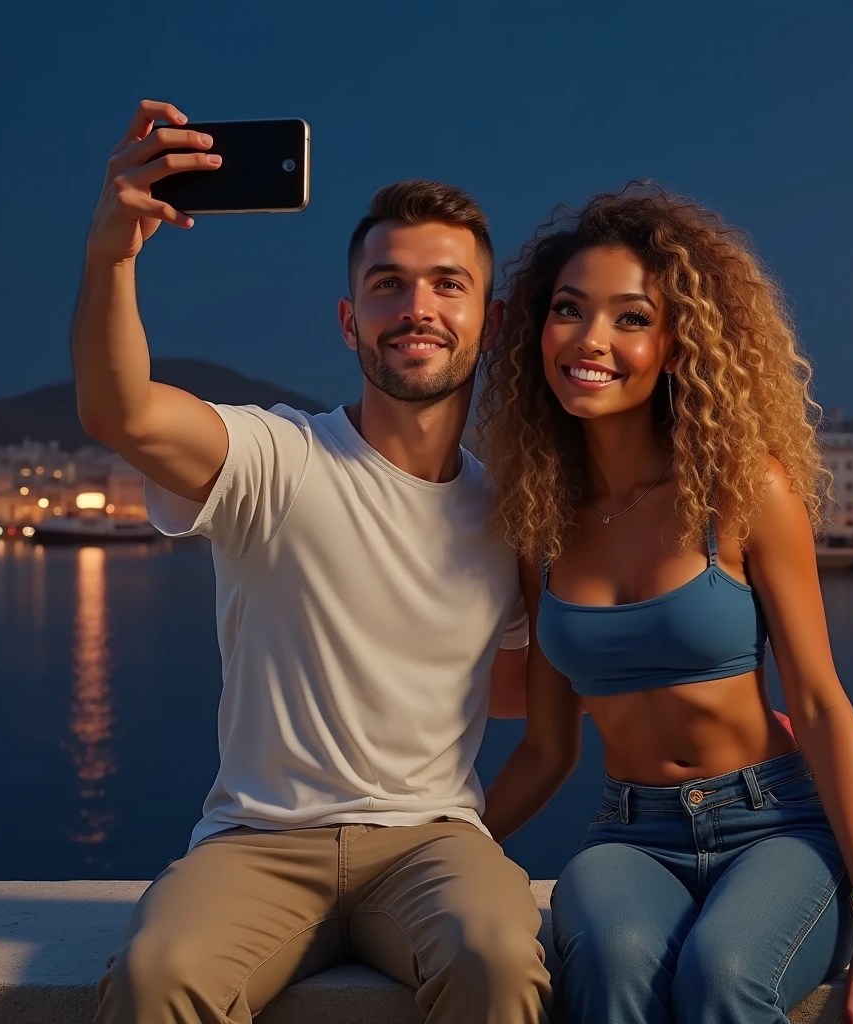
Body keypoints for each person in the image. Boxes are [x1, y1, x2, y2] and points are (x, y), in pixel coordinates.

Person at [73, 98, 550, 1024]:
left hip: (431, 845)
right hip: (256, 842)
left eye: (447, 285)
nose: (417, 308)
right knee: (155, 977)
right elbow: (120, 412)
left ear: (488, 324)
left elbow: (517, 694)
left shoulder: (508, 514)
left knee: (496, 962)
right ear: (348, 318)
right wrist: (112, 255)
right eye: (388, 284)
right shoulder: (276, 459)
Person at [478, 184, 853, 1024]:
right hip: (629, 834)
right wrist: (439, 852)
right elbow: (547, 749)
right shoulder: (538, 526)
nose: (590, 340)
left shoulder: (741, 494)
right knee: (612, 967)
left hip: (775, 825)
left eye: (630, 317)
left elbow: (820, 702)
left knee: (723, 974)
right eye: (569, 310)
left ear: (676, 342)